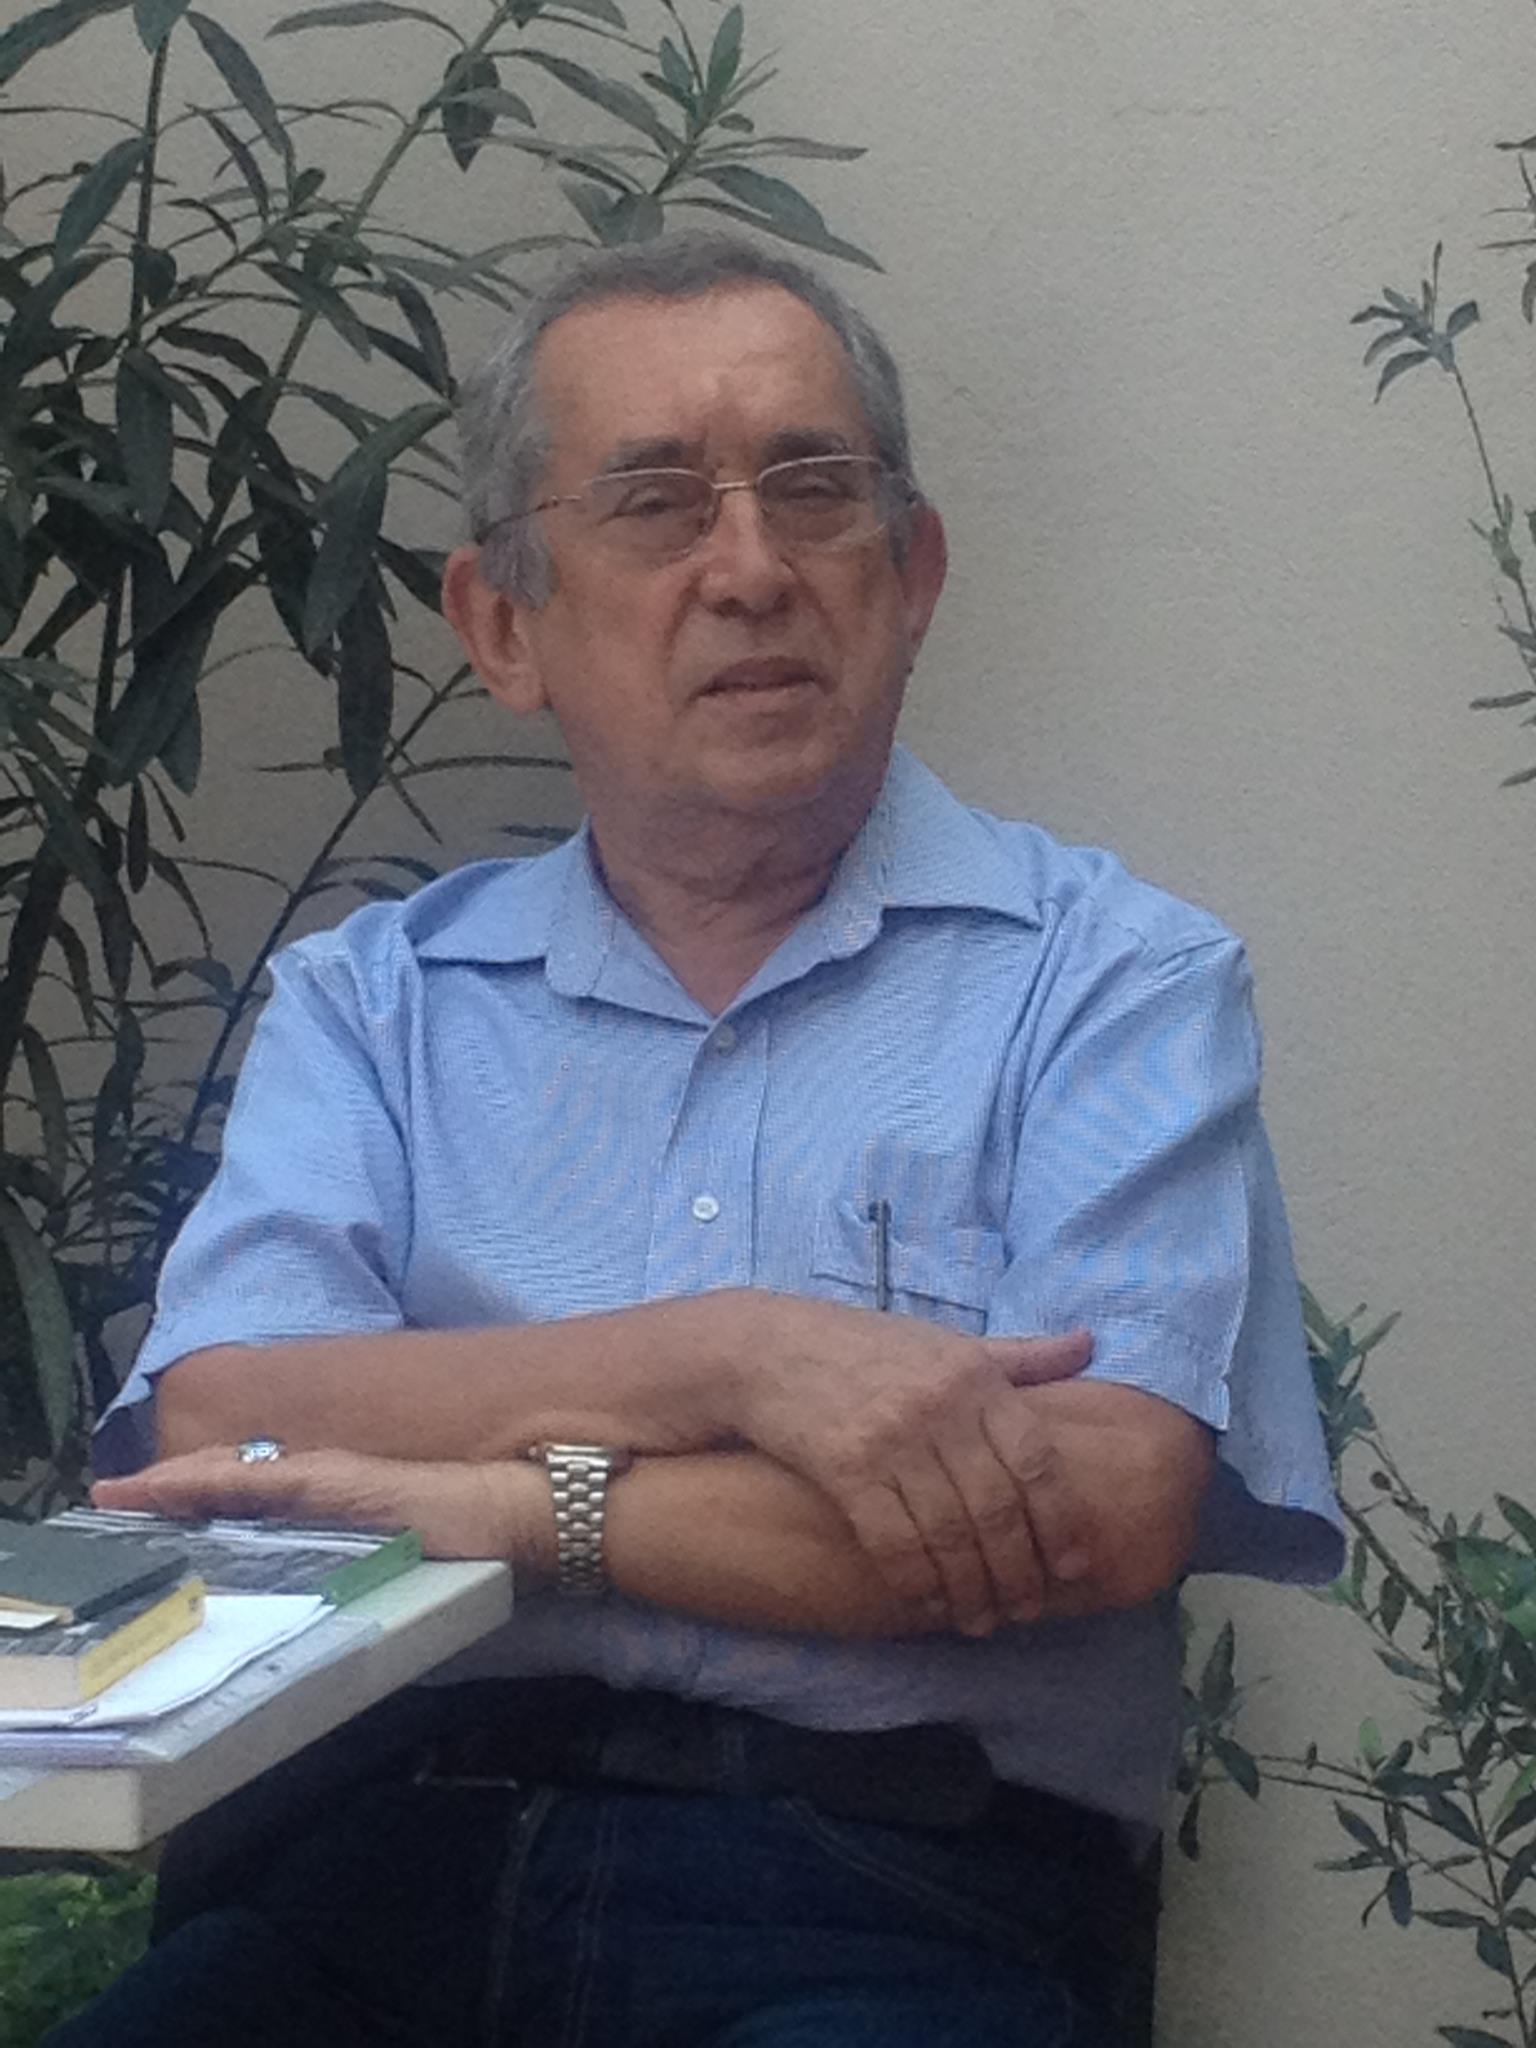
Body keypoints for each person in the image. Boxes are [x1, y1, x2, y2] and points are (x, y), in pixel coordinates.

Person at [54, 232, 1341, 2048]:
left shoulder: (1113, 983)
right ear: (504, 625)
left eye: (813, 490)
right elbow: (229, 1426)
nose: (750, 571)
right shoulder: (380, 1003)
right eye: (656, 504)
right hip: (367, 1883)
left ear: (911, 573)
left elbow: (1095, 1505)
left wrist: (511, 1511)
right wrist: (734, 1359)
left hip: (887, 1895)